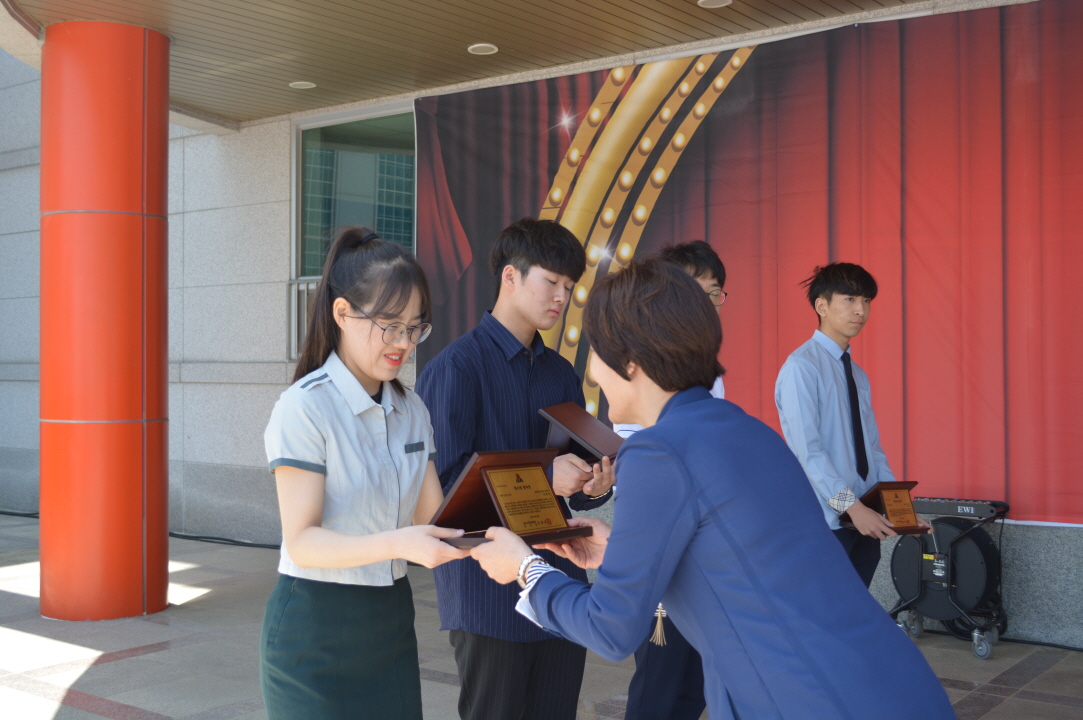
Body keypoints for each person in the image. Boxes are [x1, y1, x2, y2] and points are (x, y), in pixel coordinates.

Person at [470, 258, 955, 720]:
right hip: (891, 686)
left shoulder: (656, 451)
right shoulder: (746, 430)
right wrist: (622, 552)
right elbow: (740, 557)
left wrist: (526, 569)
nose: (592, 369)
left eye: (596, 350)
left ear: (630, 360)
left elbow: (610, 628)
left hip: (813, 700)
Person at [259, 227, 469, 720]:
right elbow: (303, 541)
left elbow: (434, 517)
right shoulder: (304, 408)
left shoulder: (412, 408)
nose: (404, 343)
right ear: (342, 313)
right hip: (313, 628)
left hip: (389, 621)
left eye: (414, 328)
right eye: (390, 326)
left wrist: (531, 517)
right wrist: (399, 543)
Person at [416, 217, 615, 720]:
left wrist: (594, 483)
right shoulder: (455, 368)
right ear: (510, 276)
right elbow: (446, 493)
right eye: (551, 281)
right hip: (488, 589)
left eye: (569, 286)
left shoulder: (561, 373)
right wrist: (547, 477)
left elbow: (575, 486)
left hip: (560, 582)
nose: (562, 297)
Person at [615, 240, 726, 720]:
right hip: (663, 538)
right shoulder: (640, 365)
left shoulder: (710, 373)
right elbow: (632, 453)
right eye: (696, 291)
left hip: (705, 548)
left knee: (694, 685)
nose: (708, 304)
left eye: (715, 293)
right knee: (657, 684)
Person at [774, 263, 929, 589]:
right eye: (849, 299)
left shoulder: (857, 374)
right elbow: (807, 452)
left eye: (866, 301)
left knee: (855, 610)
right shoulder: (801, 367)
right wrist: (852, 508)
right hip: (825, 522)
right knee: (822, 612)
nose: (861, 310)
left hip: (864, 520)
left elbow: (872, 449)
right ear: (822, 306)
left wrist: (900, 511)